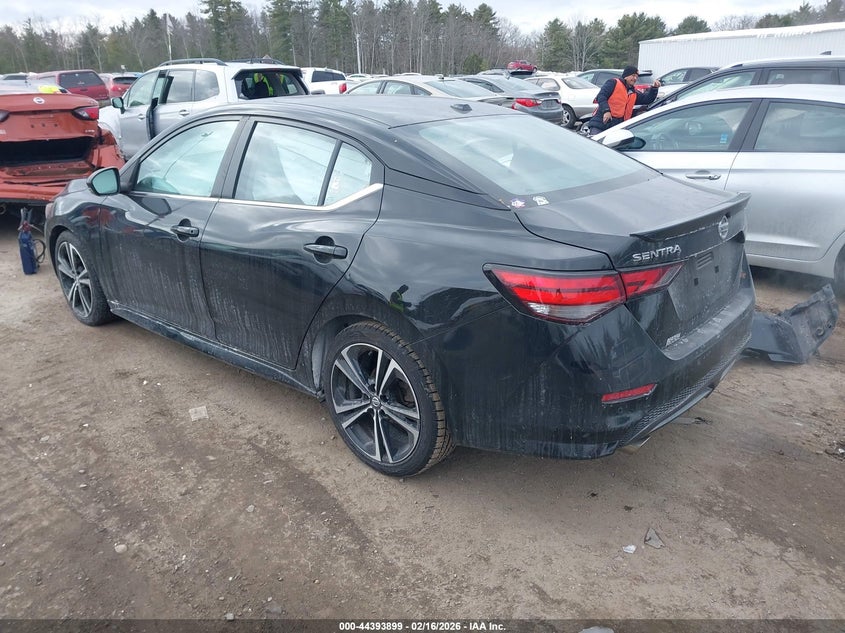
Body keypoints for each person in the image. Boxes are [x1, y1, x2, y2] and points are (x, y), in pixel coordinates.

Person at [586, 66, 661, 136]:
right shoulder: (613, 83)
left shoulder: (633, 92)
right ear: (626, 75)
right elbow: (601, 96)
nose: (635, 78)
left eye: (636, 77)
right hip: (600, 123)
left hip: (617, 127)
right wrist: (606, 111)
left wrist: (654, 88)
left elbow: (647, 99)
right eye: (633, 75)